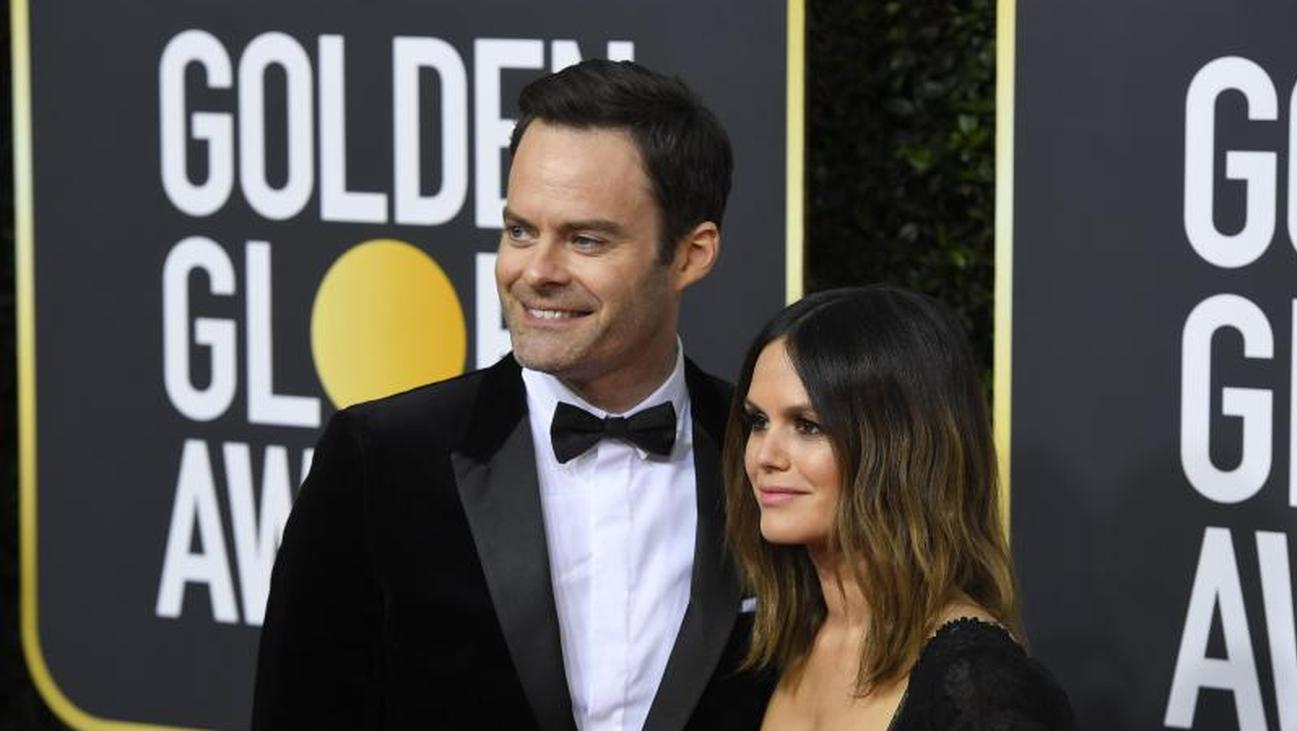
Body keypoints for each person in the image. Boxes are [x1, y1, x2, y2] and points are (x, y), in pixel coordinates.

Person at [251, 60, 771, 730]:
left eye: (586, 239)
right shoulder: (381, 459)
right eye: (520, 230)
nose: (535, 271)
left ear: (691, 255)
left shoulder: (763, 455)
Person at [723, 286, 1076, 729]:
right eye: (758, 421)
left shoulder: (982, 688)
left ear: (898, 449)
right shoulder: (776, 644)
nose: (764, 456)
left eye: (808, 426)